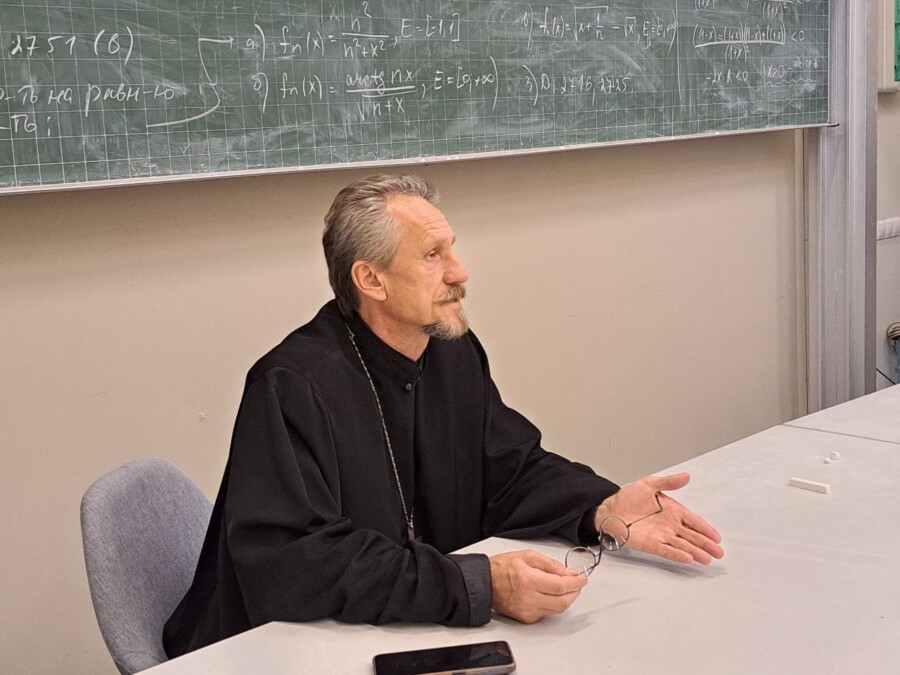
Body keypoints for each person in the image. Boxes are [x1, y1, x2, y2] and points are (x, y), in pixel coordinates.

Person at [163, 174, 724, 657]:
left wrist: (599, 506)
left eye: (451, 250)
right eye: (433, 256)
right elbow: (298, 565)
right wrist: (477, 585)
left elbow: (509, 468)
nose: (460, 272)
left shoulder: (450, 351)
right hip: (269, 652)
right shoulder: (292, 385)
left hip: (402, 636)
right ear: (371, 280)